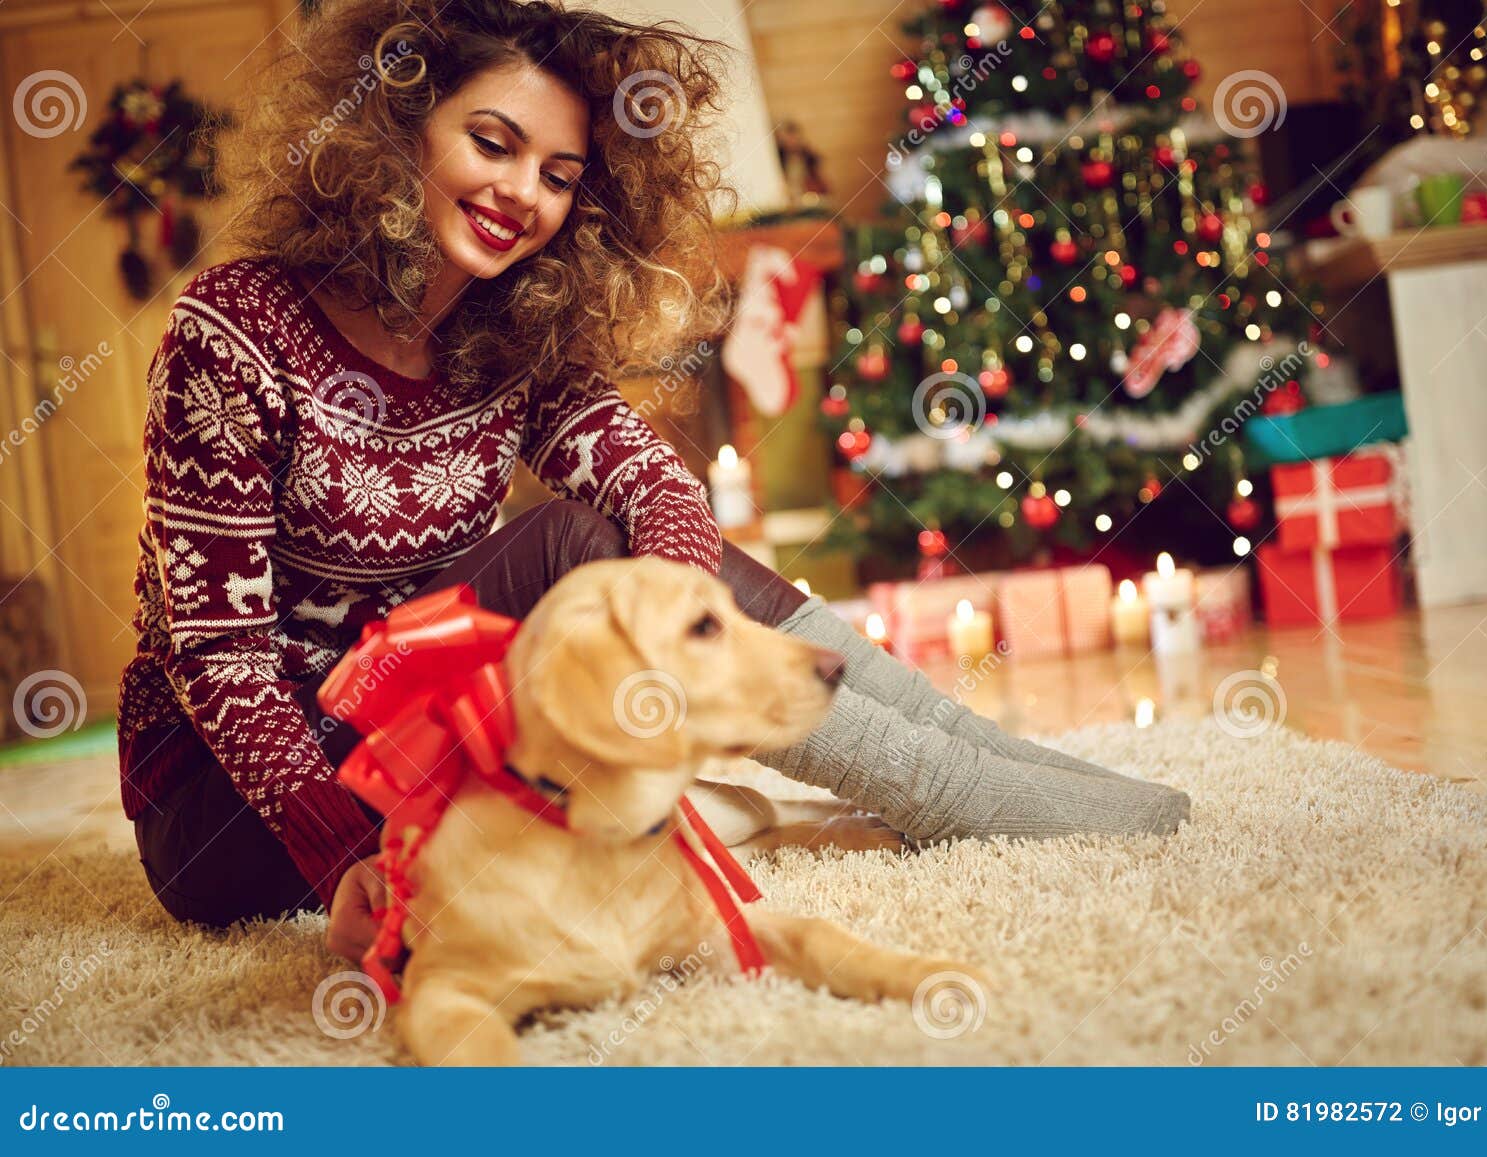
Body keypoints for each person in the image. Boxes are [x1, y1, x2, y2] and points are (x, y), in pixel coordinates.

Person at [115, 0, 1189, 966]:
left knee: (632, 531)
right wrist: (353, 848)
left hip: (426, 725)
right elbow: (220, 660)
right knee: (575, 544)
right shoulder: (237, 328)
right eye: (491, 142)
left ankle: (997, 768)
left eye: (557, 174)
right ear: (395, 131)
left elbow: (662, 495)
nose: (519, 194)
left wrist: (674, 624)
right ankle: (957, 795)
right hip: (229, 808)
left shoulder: (503, 326)